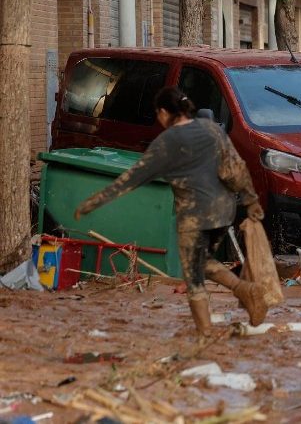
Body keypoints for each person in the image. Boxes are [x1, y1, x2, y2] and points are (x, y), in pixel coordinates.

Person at [74, 86, 269, 340]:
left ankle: (208, 330)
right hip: (224, 211)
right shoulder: (211, 128)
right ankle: (243, 292)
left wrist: (92, 202)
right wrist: (251, 200)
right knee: (202, 262)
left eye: (158, 114)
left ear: (165, 113)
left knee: (193, 274)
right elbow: (236, 167)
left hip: (195, 216)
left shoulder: (166, 143)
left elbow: (131, 179)